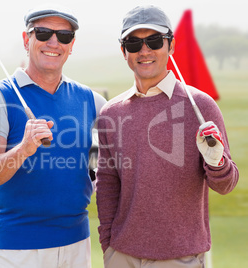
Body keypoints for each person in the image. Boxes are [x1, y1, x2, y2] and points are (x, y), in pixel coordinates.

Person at [95, 5, 239, 268]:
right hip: (122, 256)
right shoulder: (110, 113)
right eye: (134, 43)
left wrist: (217, 163)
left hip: (181, 257)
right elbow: (107, 184)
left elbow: (226, 185)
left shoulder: (201, 106)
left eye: (154, 41)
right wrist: (108, 247)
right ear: (123, 50)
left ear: (170, 46)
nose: (145, 50)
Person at [0, 4, 106, 268]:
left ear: (71, 44)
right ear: (27, 39)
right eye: (43, 33)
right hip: (16, 248)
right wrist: (23, 148)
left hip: (77, 244)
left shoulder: (91, 99)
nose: (53, 42)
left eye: (64, 36)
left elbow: (109, 161)